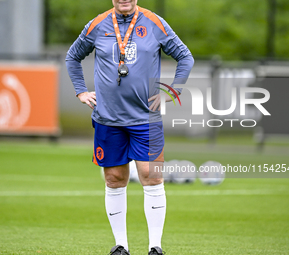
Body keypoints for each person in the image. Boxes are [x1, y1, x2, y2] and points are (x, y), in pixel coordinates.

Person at [66, 0, 194, 254]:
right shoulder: (96, 24)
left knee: (152, 176)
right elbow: (72, 57)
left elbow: (185, 57)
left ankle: (155, 247)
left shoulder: (155, 22)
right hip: (108, 120)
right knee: (114, 179)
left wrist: (172, 90)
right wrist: (81, 91)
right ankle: (121, 246)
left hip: (146, 119)